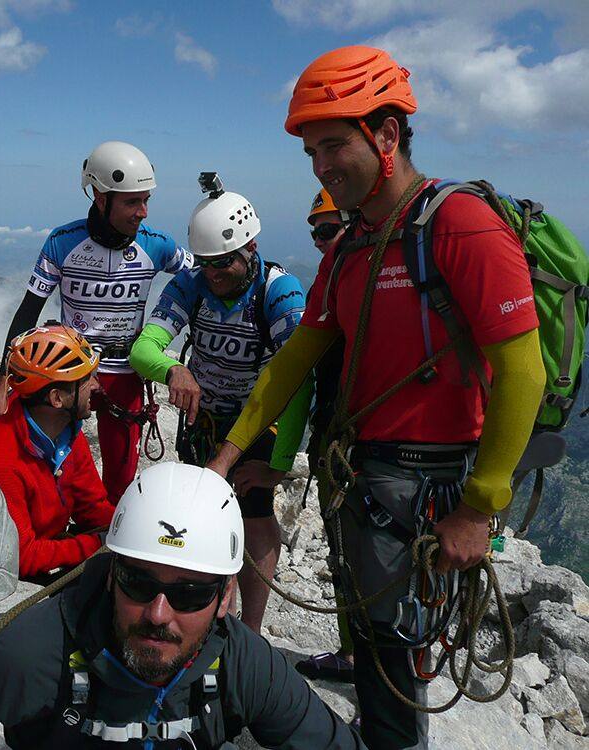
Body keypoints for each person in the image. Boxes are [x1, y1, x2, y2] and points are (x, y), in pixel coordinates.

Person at [206, 46, 545, 749]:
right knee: (376, 642)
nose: (321, 165)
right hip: (367, 479)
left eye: (333, 144)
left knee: (394, 652)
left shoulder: (462, 226)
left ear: (387, 135)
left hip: (427, 486)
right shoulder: (351, 245)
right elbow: (296, 358)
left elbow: (524, 372)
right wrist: (229, 456)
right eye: (311, 152)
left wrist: (479, 509)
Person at [0, 462, 364, 749]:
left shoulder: (244, 664)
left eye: (191, 593)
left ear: (226, 598)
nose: (157, 613)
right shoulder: (30, 652)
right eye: (137, 581)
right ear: (112, 574)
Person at [129, 175, 310, 633]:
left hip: (258, 423)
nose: (214, 274)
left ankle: (247, 630)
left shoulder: (280, 292)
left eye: (224, 263)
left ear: (251, 248)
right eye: (207, 263)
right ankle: (205, 613)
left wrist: (279, 463)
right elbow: (143, 348)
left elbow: (299, 382)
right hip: (204, 419)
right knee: (201, 513)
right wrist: (173, 370)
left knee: (254, 512)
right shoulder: (192, 285)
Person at [0, 141, 192, 503]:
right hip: (70, 372)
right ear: (101, 198)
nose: (143, 212)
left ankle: (108, 541)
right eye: (132, 201)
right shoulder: (62, 242)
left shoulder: (158, 245)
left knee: (120, 478)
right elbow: (28, 312)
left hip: (125, 372)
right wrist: (3, 385)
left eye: (146, 200)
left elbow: (203, 276)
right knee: (48, 462)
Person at [0, 324, 115, 581]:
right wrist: (96, 545)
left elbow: (91, 508)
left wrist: (129, 527)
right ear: (57, 399)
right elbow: (18, 557)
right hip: (2, 574)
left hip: (45, 547)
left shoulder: (66, 432)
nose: (96, 385)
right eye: (86, 380)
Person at [296, 189, 356, 683]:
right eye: (315, 231)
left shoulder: (359, 275)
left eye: (328, 230)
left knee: (381, 563)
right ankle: (355, 654)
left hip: (365, 441)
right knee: (342, 550)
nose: (320, 242)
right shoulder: (337, 273)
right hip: (339, 433)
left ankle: (393, 690)